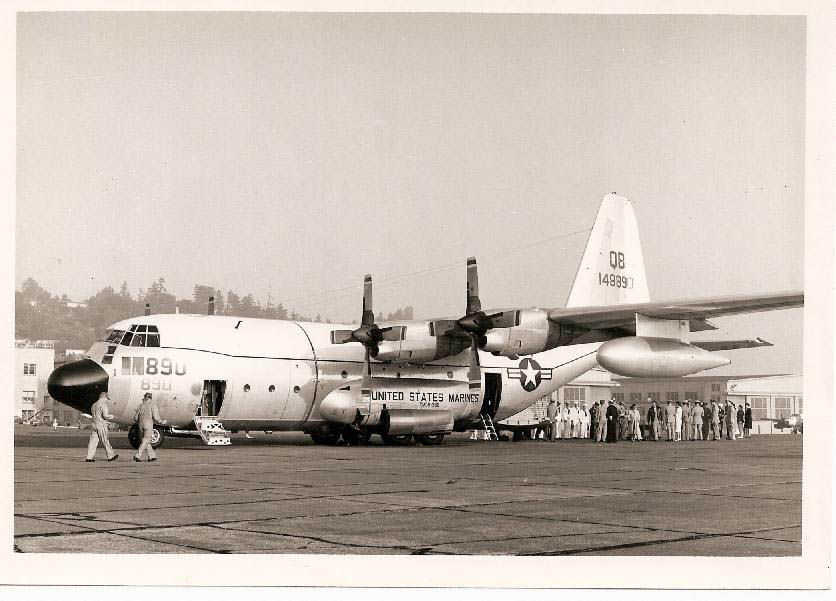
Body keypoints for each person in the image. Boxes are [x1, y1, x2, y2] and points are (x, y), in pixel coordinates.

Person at [133, 392, 168, 462]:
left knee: (146, 441)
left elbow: (135, 418)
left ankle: (152, 456)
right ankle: (137, 455)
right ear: (151, 398)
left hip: (140, 424)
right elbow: (156, 417)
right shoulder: (153, 405)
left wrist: (139, 422)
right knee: (146, 440)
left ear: (145, 398)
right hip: (148, 424)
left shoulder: (140, 406)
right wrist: (161, 421)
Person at [86, 391, 118, 462]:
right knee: (105, 441)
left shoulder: (93, 405)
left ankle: (89, 457)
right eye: (107, 398)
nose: (107, 400)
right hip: (101, 425)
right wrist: (112, 417)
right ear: (104, 397)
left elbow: (96, 415)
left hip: (94, 424)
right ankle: (110, 456)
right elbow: (105, 415)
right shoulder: (103, 404)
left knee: (92, 442)